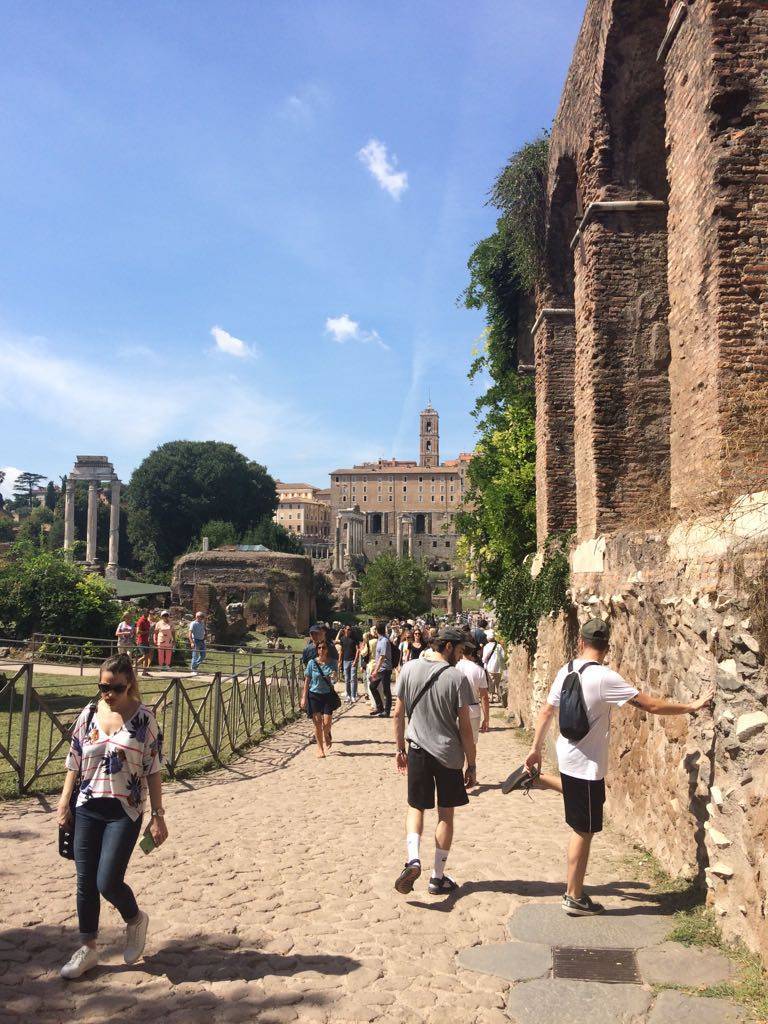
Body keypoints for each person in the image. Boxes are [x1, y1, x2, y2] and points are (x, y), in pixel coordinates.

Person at [502, 617, 715, 916]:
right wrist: (690, 707)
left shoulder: (567, 670)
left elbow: (548, 709)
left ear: (581, 642)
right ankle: (573, 896)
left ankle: (535, 779)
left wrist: (535, 749)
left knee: (581, 802)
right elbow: (651, 705)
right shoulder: (605, 678)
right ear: (607, 647)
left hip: (568, 756)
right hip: (587, 765)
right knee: (582, 830)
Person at [56, 654, 167, 978]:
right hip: (87, 805)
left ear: (129, 683)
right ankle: (87, 948)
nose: (108, 693)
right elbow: (74, 759)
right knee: (84, 881)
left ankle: (135, 919)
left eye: (115, 688)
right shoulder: (89, 713)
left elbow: (154, 769)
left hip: (124, 809)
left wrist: (158, 815)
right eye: (102, 686)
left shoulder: (145, 719)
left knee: (107, 881)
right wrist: (64, 802)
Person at [393, 626, 477, 896]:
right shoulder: (457, 678)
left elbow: (397, 714)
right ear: (448, 646)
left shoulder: (408, 669)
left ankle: (413, 859)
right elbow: (465, 727)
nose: (461, 655)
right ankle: (437, 877)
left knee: (416, 807)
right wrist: (472, 763)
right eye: (460, 650)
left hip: (417, 749)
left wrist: (398, 749)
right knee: (445, 814)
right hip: (448, 755)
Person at [300, 640, 338, 758]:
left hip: (327, 695)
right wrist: (304, 697)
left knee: (327, 723)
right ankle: (320, 749)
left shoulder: (332, 663)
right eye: (319, 648)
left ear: (327, 650)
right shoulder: (312, 663)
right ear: (317, 650)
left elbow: (335, 680)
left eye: (324, 648)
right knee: (317, 724)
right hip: (314, 694)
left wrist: (334, 677)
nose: (321, 650)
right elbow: (307, 680)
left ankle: (327, 734)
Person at [458, 642, 489, 745]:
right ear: (472, 653)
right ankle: (470, 761)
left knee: (457, 743)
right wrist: (486, 718)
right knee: (471, 744)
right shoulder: (479, 670)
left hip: (456, 709)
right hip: (473, 710)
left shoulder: (454, 667)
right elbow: (484, 697)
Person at [369, 621, 393, 718]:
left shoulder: (384, 641)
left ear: (377, 630)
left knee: (386, 691)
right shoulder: (379, 640)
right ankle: (380, 708)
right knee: (372, 686)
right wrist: (375, 669)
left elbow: (382, 657)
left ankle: (387, 712)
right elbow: (378, 656)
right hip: (380, 669)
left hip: (385, 669)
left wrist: (375, 670)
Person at [336, 624, 361, 704]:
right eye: (347, 629)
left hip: (353, 660)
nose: (349, 630)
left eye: (350, 629)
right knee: (347, 679)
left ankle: (353, 696)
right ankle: (348, 696)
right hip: (345, 660)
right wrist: (339, 661)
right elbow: (341, 651)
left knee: (353, 678)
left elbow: (358, 650)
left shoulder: (354, 639)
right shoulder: (342, 639)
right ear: (344, 630)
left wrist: (356, 660)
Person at [482, 630, 507, 703]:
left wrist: (484, 661)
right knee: (498, 682)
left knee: (491, 682)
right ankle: (499, 697)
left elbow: (484, 658)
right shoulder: (499, 646)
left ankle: (491, 697)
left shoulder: (486, 646)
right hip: (498, 667)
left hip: (490, 667)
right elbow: (503, 656)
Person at [135, 610, 152, 677]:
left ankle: (144, 672)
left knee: (147, 656)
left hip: (146, 641)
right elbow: (137, 632)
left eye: (148, 613)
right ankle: (134, 665)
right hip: (141, 641)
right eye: (147, 612)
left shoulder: (147, 622)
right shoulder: (140, 621)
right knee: (145, 656)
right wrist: (146, 632)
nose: (148, 614)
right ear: (143, 613)